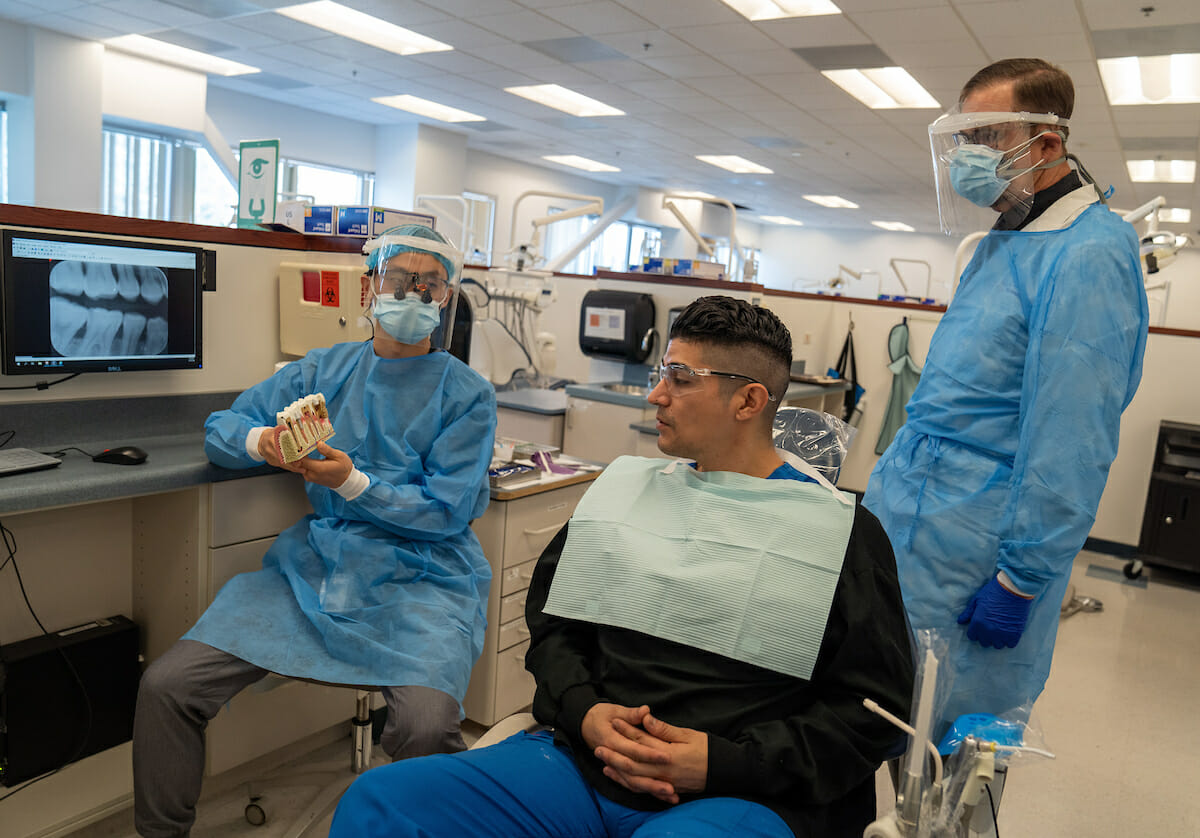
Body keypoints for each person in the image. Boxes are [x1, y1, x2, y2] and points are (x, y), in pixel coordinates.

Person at [328, 295, 914, 838]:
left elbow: (874, 714)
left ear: (749, 401)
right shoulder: (625, 495)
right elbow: (556, 632)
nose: (656, 395)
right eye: (663, 373)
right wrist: (585, 712)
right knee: (379, 802)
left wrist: (721, 761)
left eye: (682, 379)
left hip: (739, 790)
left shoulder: (838, 534)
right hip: (583, 766)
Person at [131, 225, 497, 838]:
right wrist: (262, 441)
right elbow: (223, 425)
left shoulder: (467, 395)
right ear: (367, 289)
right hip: (318, 568)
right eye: (397, 280)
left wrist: (354, 483)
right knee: (168, 685)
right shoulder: (321, 371)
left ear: (446, 298)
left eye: (428, 284)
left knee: (428, 727)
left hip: (425, 576)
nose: (411, 294)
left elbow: (445, 511)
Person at [864, 58, 1148, 752]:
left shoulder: (1089, 253)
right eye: (962, 139)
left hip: (978, 547)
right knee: (882, 723)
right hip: (914, 519)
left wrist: (1021, 577)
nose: (968, 157)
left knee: (948, 760)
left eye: (987, 136)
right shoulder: (1009, 238)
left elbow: (1072, 436)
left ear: (1047, 144)